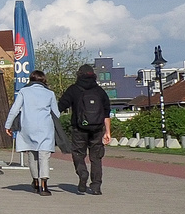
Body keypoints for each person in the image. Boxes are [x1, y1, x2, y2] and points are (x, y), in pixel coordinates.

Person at [6, 69, 60, 195]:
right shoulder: (50, 93)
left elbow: (14, 110)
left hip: (28, 127)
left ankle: (35, 181)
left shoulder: (24, 92)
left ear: (31, 79)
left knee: (32, 155)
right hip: (45, 127)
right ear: (44, 80)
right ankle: (44, 185)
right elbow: (56, 113)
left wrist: (8, 125)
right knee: (44, 156)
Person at [59, 64, 111, 195]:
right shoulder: (99, 91)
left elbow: (61, 105)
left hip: (79, 128)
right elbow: (106, 112)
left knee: (77, 153)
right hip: (97, 129)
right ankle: (96, 186)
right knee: (96, 158)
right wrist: (108, 131)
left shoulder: (74, 89)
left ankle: (82, 173)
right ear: (93, 75)